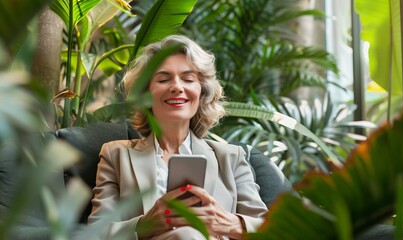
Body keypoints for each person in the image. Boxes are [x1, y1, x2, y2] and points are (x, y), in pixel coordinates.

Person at [88, 35, 268, 240]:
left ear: (202, 92)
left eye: (188, 79)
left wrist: (226, 223)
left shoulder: (231, 157)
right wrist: (144, 225)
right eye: (163, 79)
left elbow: (271, 230)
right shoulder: (116, 155)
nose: (176, 87)